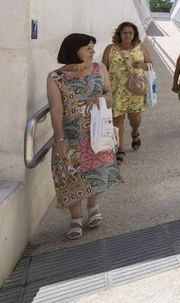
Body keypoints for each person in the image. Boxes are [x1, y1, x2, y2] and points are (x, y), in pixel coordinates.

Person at [47, 33, 122, 240]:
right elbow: (55, 109)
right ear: (74, 49)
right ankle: (75, 217)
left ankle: (93, 205)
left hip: (96, 130)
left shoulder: (100, 68)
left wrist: (101, 98)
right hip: (71, 134)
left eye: (92, 47)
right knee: (71, 174)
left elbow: (110, 93)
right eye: (88, 47)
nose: (92, 51)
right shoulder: (55, 77)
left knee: (95, 171)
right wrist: (59, 138)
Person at [101, 22, 152, 165]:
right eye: (125, 32)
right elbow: (103, 68)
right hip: (116, 89)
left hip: (134, 89)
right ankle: (120, 148)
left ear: (134, 34)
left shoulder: (140, 47)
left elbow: (150, 64)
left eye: (131, 33)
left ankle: (135, 133)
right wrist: (103, 88)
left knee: (135, 118)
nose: (128, 35)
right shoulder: (110, 49)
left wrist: (141, 65)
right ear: (119, 34)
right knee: (117, 120)